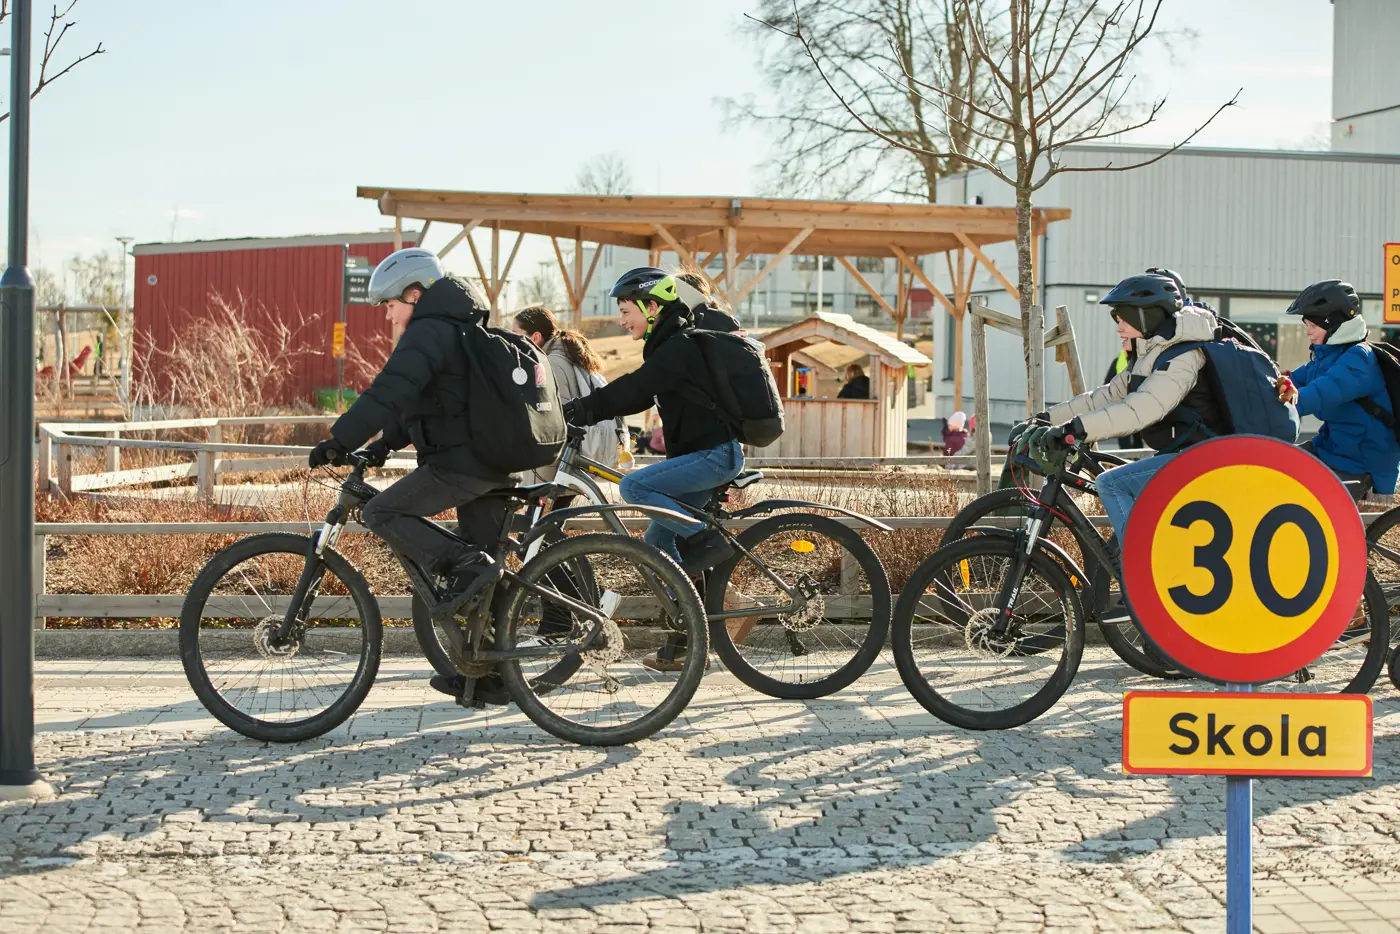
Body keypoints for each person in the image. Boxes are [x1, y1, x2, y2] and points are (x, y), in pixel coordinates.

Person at [307, 248, 510, 699]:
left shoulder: (428, 331)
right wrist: (382, 444)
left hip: (464, 464)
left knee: (381, 513)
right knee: (484, 580)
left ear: (415, 294)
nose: (388, 316)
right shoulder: (458, 325)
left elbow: (389, 390)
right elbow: (423, 400)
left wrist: (339, 440)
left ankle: (468, 565)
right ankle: (489, 678)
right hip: (490, 460)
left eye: (391, 305)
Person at [563, 267, 747, 671]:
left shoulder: (678, 346)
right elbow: (638, 389)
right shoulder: (670, 344)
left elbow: (634, 389)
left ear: (651, 307)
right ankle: (715, 618)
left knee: (633, 487)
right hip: (699, 457)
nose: (620, 318)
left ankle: (709, 542)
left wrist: (579, 409)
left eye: (626, 309)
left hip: (714, 456)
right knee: (658, 542)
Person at [1016, 273, 1225, 542]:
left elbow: (1140, 410)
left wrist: (1077, 428)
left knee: (1111, 483)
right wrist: (1044, 418)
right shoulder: (1154, 354)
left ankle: (1141, 569)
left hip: (1207, 460)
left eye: (1123, 318)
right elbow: (1107, 396)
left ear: (1145, 317)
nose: (1118, 327)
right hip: (1186, 454)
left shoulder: (1184, 356)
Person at [1278, 279, 1400, 502]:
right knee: (1277, 464)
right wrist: (1269, 380)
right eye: (1306, 326)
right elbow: (1296, 377)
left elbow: (1322, 392)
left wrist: (1290, 398)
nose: (1308, 333)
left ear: (1333, 324)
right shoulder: (1327, 355)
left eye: (1313, 326)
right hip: (1333, 449)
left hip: (1360, 461)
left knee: (1298, 498)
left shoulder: (1358, 359)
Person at [512, 305, 626, 476]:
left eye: (516, 334)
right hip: (579, 451)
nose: (511, 341)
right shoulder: (568, 355)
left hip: (556, 460)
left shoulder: (550, 363)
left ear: (535, 337)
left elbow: (552, 416)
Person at [1103, 337, 1144, 450]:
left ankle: (1135, 460)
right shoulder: (1118, 362)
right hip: (1121, 406)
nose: (1123, 341)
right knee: (1123, 435)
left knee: (1137, 436)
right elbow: (1107, 383)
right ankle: (1126, 462)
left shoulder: (1142, 360)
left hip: (1136, 405)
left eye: (1127, 339)